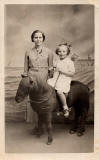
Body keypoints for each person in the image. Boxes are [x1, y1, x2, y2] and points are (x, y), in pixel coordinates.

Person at [22, 30, 53, 123]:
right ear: (32, 39)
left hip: (44, 78)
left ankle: (44, 124)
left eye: (40, 37)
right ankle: (35, 125)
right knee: (33, 100)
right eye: (36, 37)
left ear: (43, 39)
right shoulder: (28, 52)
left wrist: (50, 80)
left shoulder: (49, 52)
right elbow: (25, 69)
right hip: (32, 79)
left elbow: (51, 68)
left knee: (44, 101)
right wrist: (26, 81)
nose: (38, 39)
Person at [47, 43, 75, 117]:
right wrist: (51, 68)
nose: (61, 53)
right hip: (56, 77)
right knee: (48, 85)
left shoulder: (69, 62)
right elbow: (54, 67)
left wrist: (62, 71)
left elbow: (72, 73)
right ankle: (54, 106)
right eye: (59, 51)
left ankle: (65, 107)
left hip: (65, 78)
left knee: (59, 91)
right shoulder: (57, 61)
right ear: (57, 52)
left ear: (67, 52)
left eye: (63, 51)